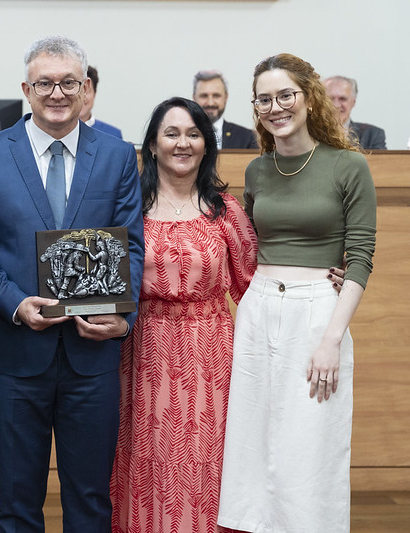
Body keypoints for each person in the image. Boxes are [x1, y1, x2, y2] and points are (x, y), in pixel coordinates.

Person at [0, 35, 144, 532]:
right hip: (15, 355)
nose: (56, 94)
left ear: (86, 89)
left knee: (89, 500)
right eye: (45, 83)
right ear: (26, 88)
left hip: (93, 356)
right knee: (18, 500)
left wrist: (122, 317)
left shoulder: (119, 156)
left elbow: (133, 246)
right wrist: (15, 303)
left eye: (68, 83)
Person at [218, 53, 377, 533]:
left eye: (285, 95)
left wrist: (332, 337)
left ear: (309, 97)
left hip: (317, 317)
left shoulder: (349, 166)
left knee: (311, 442)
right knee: (252, 439)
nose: (275, 107)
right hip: (260, 308)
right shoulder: (257, 170)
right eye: (264, 99)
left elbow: (361, 257)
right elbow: (246, 246)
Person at [109, 97, 258, 533]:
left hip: (211, 355)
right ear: (152, 145)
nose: (182, 143)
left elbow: (253, 283)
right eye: (171, 133)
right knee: (145, 455)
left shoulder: (225, 210)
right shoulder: (127, 208)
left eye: (193, 134)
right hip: (141, 350)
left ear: (206, 145)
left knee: (206, 460)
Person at [193, 70, 257, 149]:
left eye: (216, 96)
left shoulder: (248, 138)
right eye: (204, 96)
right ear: (194, 98)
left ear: (225, 97)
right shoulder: (182, 136)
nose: (210, 103)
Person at [324, 75, 387, 150]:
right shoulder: (310, 133)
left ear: (353, 102)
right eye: (330, 98)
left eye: (342, 99)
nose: (336, 105)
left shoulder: (372, 134)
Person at [80, 65, 123, 138]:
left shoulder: (113, 134)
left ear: (95, 93)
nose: (82, 97)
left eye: (87, 91)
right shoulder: (56, 132)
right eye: (79, 91)